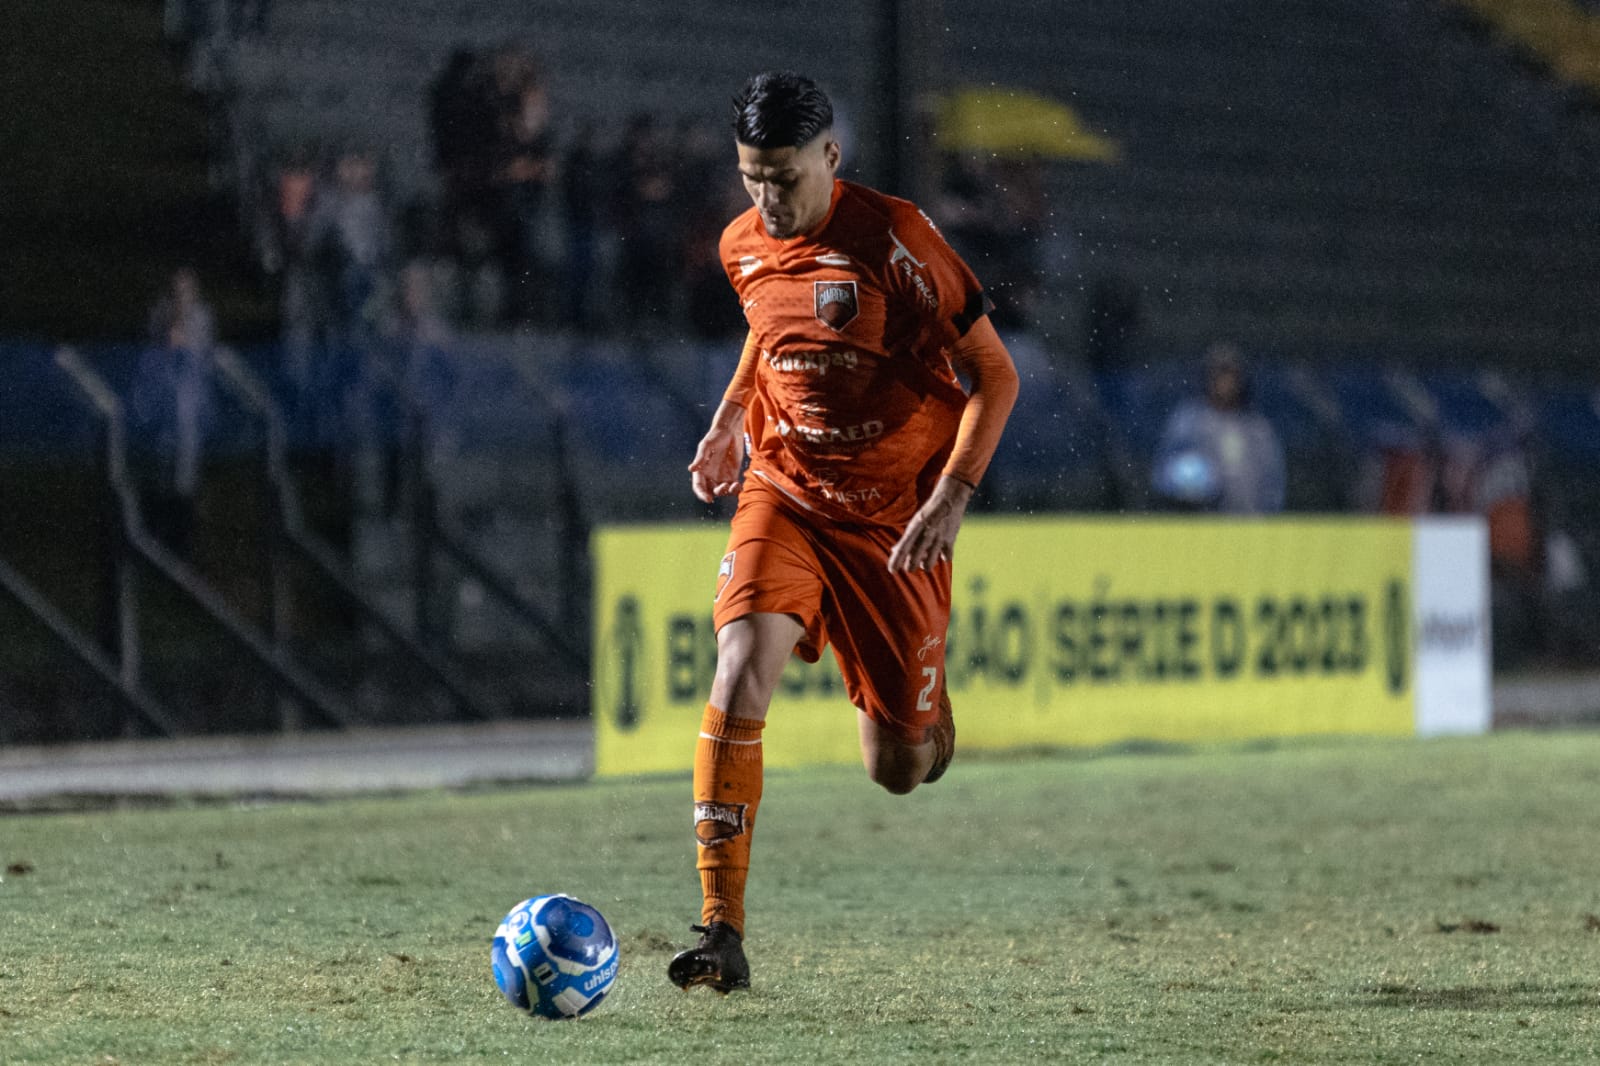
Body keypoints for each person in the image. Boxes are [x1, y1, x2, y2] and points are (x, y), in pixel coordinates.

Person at [668, 72, 1020, 994]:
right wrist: (729, 420)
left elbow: (996, 376)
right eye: (752, 178)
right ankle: (720, 930)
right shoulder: (741, 243)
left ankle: (924, 718)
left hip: (895, 520)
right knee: (739, 665)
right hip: (784, 487)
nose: (767, 200)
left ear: (831, 157)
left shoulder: (896, 241)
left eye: (783, 177)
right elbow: (765, 327)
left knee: (897, 768)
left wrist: (950, 498)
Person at [1151, 342, 1286, 513]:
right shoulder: (1189, 420)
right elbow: (1164, 472)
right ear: (1208, 378)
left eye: (1231, 375)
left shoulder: (1257, 428)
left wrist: (1268, 516)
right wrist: (1188, 484)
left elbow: (1273, 482)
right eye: (1219, 374)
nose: (1225, 382)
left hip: (1250, 525)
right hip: (1203, 526)